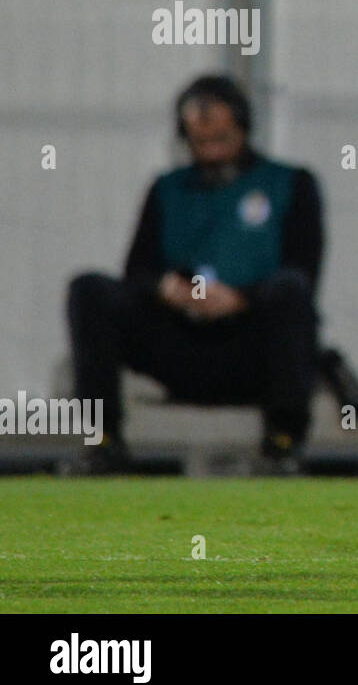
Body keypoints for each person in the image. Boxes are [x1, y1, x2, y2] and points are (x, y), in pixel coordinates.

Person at [66, 75, 324, 472]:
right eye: (201, 142)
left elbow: (304, 270)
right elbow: (138, 270)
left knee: (290, 294)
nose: (212, 151)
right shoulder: (166, 189)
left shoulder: (290, 184)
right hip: (179, 342)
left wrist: (241, 298)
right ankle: (102, 442)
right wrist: (167, 288)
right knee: (89, 290)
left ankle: (283, 443)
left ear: (242, 128)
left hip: (247, 344)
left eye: (222, 139)